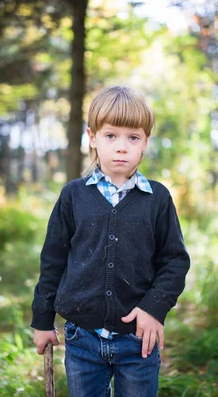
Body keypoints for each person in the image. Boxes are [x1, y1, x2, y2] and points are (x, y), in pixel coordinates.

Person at [31, 85, 191, 396]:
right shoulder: (73, 196)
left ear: (145, 142)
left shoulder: (157, 199)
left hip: (138, 340)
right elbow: (53, 261)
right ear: (92, 137)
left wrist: (154, 308)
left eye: (133, 137)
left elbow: (174, 261)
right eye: (110, 136)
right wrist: (42, 320)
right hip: (82, 339)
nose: (121, 147)